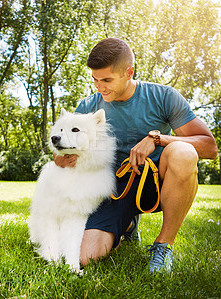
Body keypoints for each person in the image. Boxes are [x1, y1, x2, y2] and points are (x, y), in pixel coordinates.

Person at [54, 38, 218, 273]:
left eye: (107, 80)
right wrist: (63, 158)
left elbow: (209, 147)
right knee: (86, 257)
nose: (100, 88)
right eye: (95, 80)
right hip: (109, 189)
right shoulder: (88, 106)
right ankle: (128, 224)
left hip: (154, 184)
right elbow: (60, 153)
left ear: (129, 72)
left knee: (182, 152)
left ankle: (163, 245)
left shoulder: (163, 96)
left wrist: (157, 139)